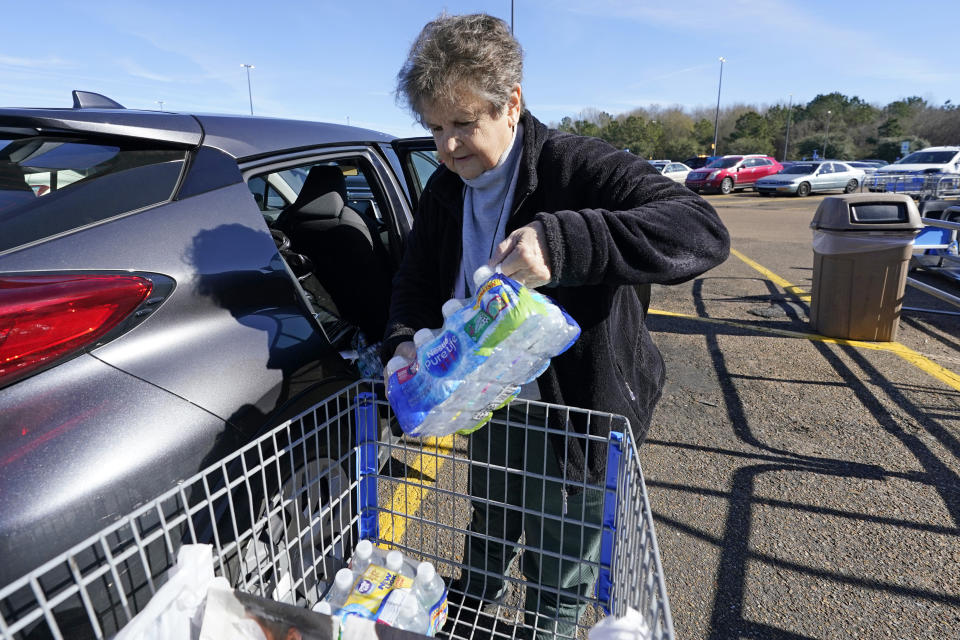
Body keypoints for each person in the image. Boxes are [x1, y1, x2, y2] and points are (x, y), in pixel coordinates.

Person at [384, 13, 730, 637]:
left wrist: (564, 242)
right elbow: (413, 280)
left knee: (562, 550)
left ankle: (550, 625)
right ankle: (472, 605)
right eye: (435, 128)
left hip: (572, 409)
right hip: (485, 393)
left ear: (511, 104)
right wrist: (404, 339)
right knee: (489, 510)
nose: (448, 147)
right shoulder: (444, 187)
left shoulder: (576, 165)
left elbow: (700, 230)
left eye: (464, 124)